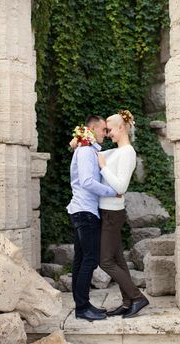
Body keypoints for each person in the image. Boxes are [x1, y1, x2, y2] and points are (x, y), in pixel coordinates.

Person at [97, 110, 149, 318]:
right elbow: (97, 153)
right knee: (118, 260)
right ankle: (128, 302)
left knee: (106, 261)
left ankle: (137, 297)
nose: (107, 133)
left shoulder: (127, 152)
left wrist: (103, 168)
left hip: (112, 213)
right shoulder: (117, 152)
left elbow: (121, 186)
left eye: (110, 129)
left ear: (121, 128)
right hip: (108, 211)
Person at [66, 115, 118, 321]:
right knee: (90, 259)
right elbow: (87, 181)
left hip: (80, 210)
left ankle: (82, 305)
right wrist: (112, 192)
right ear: (93, 128)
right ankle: (82, 307)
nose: (105, 133)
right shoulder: (86, 150)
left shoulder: (85, 149)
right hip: (86, 212)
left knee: (81, 260)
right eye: (103, 129)